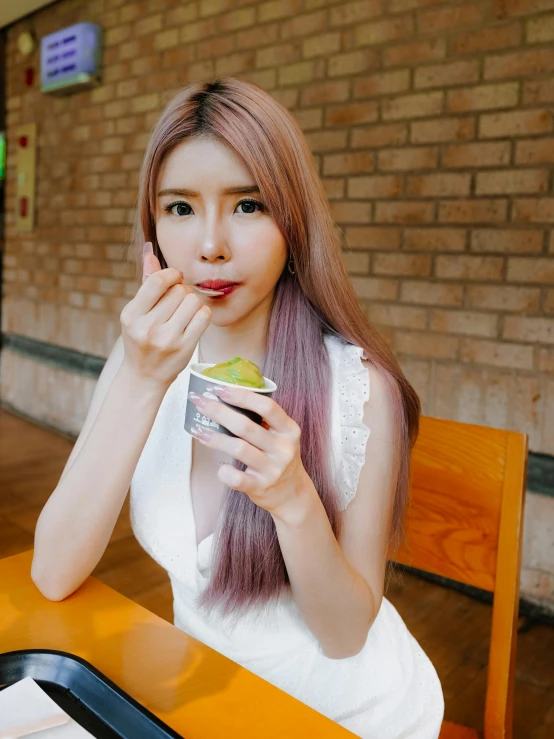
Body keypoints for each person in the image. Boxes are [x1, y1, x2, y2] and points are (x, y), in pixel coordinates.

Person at [32, 78, 444, 738]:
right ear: (153, 227)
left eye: (248, 205)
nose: (211, 245)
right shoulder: (143, 355)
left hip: (345, 713)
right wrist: (140, 381)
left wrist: (293, 499)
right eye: (180, 208)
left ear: (293, 220)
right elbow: (52, 573)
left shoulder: (362, 392)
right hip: (204, 699)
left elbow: (343, 636)